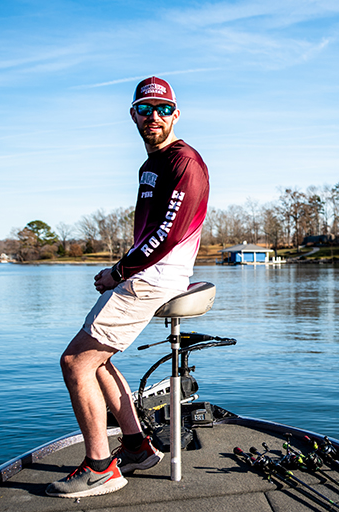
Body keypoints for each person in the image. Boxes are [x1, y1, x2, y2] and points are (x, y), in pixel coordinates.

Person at [46, 76, 210, 498]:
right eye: (145, 109)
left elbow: (167, 236)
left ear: (177, 113)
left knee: (75, 363)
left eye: (163, 109)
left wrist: (118, 273)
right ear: (133, 115)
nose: (154, 117)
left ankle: (100, 467)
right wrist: (123, 270)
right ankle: (136, 446)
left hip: (153, 277)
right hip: (145, 273)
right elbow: (149, 234)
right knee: (96, 360)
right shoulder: (150, 165)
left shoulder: (184, 162)